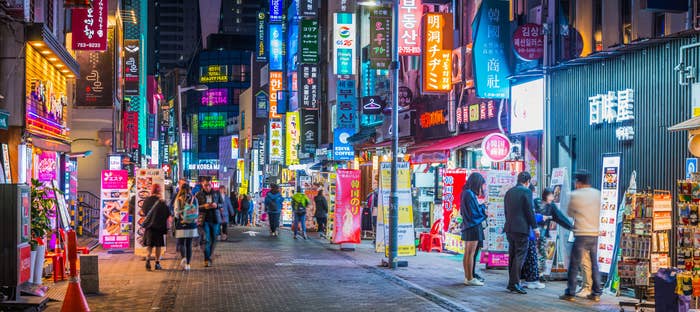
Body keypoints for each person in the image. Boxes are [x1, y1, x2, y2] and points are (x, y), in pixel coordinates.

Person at [560, 170, 602, 302]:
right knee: (594, 264)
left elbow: (570, 213)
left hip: (581, 233)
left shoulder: (574, 195)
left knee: (574, 263)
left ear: (578, 182)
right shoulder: (597, 193)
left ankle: (570, 292)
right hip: (594, 234)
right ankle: (596, 293)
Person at [503, 172, 537, 294]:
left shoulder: (509, 192)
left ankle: (511, 283)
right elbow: (529, 211)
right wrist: (535, 227)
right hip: (521, 229)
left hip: (509, 228)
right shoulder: (526, 192)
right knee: (519, 255)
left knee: (512, 255)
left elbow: (506, 211)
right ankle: (515, 283)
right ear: (527, 181)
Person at [534, 188, 574, 282]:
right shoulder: (536, 202)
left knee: (542, 253)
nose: (552, 197)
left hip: (542, 233)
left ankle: (540, 274)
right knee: (534, 253)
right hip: (533, 232)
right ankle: (533, 273)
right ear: (546, 195)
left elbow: (559, 217)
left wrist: (570, 227)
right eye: (551, 195)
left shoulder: (551, 206)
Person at [460, 172, 487, 286]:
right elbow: (474, 212)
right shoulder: (470, 194)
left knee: (467, 253)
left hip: (467, 226)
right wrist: (484, 210)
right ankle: (470, 278)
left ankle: (468, 277)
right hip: (473, 226)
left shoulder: (465, 193)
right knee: (471, 253)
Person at [521, 185, 546, 289]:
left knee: (526, 258)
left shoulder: (520, 199)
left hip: (523, 233)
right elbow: (531, 215)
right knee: (532, 258)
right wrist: (541, 217)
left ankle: (526, 279)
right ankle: (532, 280)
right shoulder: (528, 199)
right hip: (529, 233)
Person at [141, 184, 171, 271]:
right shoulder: (161, 201)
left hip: (149, 227)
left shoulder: (147, 200)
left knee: (149, 245)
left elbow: (143, 212)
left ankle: (147, 259)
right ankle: (157, 263)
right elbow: (167, 214)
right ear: (159, 191)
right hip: (159, 227)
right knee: (158, 246)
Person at [195, 177, 223, 267]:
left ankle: (209, 255)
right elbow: (195, 207)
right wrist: (204, 206)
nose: (207, 187)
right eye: (205, 185)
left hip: (215, 219)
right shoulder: (198, 194)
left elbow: (222, 204)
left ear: (212, 184)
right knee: (207, 240)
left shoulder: (216, 193)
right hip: (204, 219)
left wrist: (217, 205)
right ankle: (206, 259)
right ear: (202, 184)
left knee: (214, 239)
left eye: (209, 185)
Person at [174, 183, 198, 271]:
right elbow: (197, 212)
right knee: (189, 244)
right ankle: (188, 264)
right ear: (189, 190)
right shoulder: (194, 199)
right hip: (191, 224)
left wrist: (181, 215)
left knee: (181, 243)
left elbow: (176, 213)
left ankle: (183, 257)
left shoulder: (178, 199)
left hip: (181, 223)